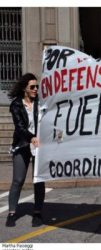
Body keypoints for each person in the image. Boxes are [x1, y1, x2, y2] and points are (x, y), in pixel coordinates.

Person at [5, 73, 46, 227]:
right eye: (32, 87)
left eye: (37, 86)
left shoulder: (40, 103)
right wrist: (31, 137)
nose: (36, 89)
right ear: (25, 89)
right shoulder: (16, 104)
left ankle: (37, 213)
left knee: (38, 180)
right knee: (18, 180)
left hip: (39, 145)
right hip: (22, 144)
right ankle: (12, 213)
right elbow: (20, 127)